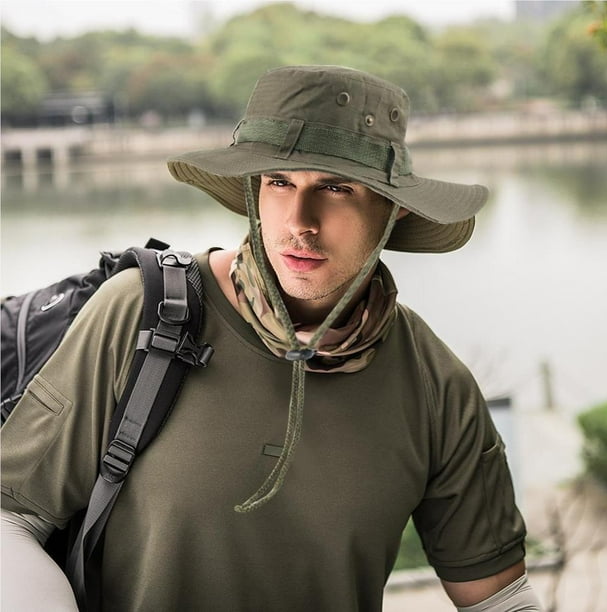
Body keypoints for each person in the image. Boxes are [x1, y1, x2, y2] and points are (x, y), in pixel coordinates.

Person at [1, 65, 541, 611]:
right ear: (252, 190)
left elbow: (500, 599)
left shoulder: (436, 385)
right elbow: (11, 514)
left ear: (392, 209)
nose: (299, 221)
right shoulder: (138, 313)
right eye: (279, 182)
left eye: (336, 188)